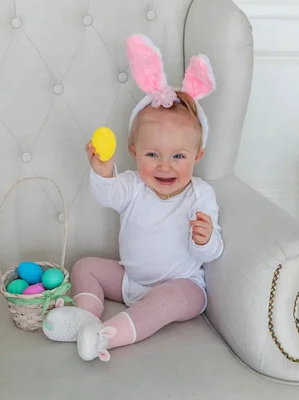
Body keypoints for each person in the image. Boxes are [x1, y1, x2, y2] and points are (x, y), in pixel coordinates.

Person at [42, 34, 224, 362]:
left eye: (179, 156)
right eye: (152, 154)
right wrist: (103, 169)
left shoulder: (201, 194)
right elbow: (107, 194)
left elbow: (212, 252)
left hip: (183, 285)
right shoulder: (133, 186)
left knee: (169, 299)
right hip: (131, 281)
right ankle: (85, 317)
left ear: (197, 155)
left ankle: (105, 337)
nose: (165, 166)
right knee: (85, 266)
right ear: (133, 151)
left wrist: (205, 238)